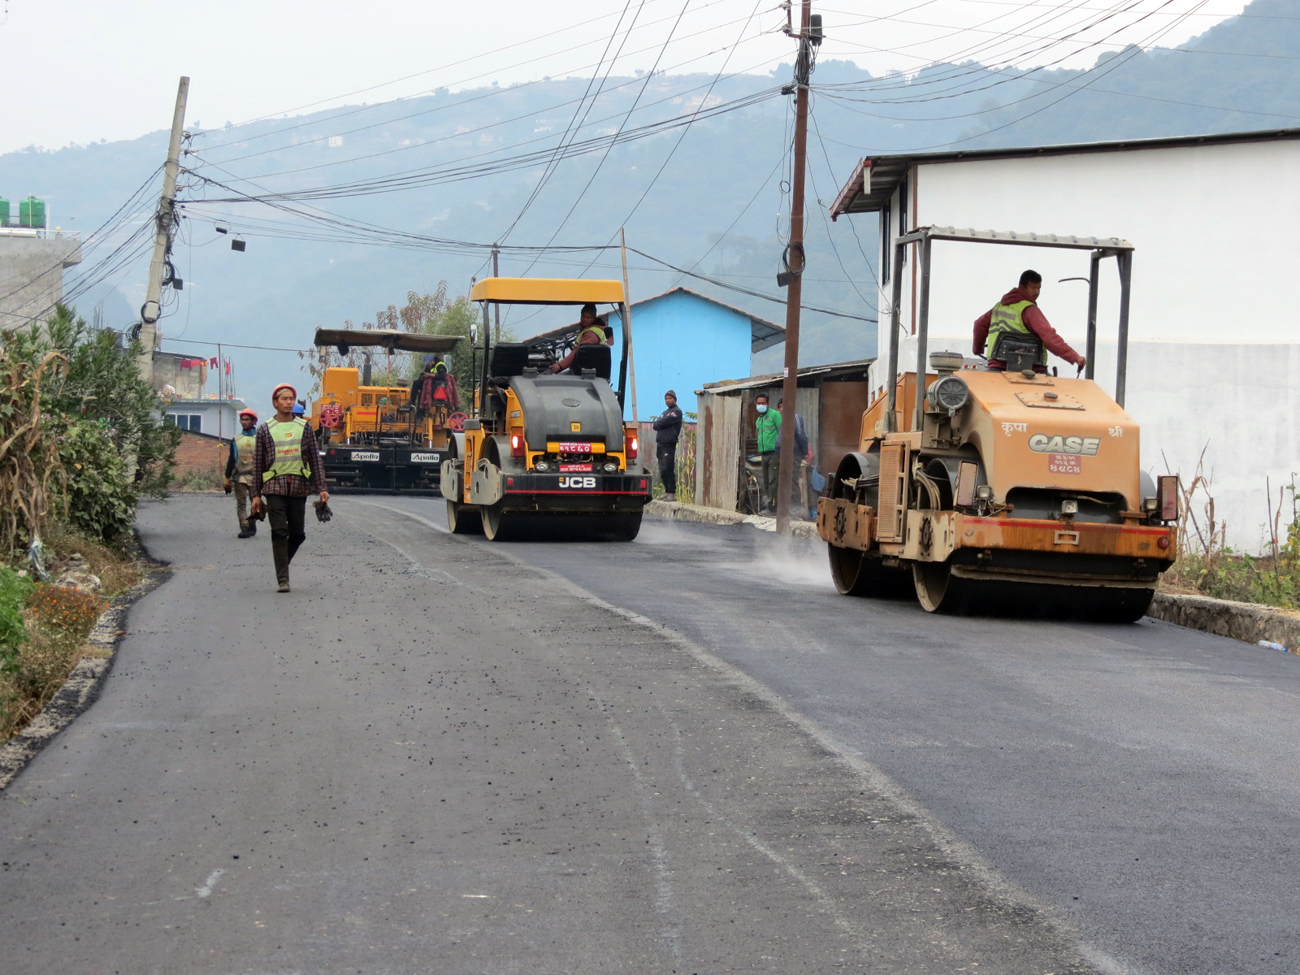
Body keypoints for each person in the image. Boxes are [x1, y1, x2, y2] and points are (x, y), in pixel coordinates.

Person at [250, 383, 330, 593]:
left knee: (298, 534)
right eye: (284, 399)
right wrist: (255, 495)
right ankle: (283, 579)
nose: (288, 402)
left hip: (298, 488)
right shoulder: (265, 429)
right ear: (275, 403)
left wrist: (321, 487)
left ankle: (282, 563)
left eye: (291, 399)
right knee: (279, 531)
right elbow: (257, 464)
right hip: (273, 488)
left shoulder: (305, 428)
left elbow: (314, 458)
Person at [973, 269, 1087, 374]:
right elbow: (1049, 337)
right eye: (1033, 288)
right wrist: (1074, 357)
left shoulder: (998, 307)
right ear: (1022, 287)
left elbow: (979, 325)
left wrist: (978, 349)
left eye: (1039, 288)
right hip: (1029, 369)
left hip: (996, 367)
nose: (1037, 292)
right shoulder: (1029, 310)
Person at [223, 408, 259, 538]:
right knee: (241, 503)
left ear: (254, 421)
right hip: (240, 476)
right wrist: (227, 478)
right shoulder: (236, 439)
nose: (244, 422)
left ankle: (252, 522)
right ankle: (244, 528)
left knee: (255, 501)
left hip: (256, 477)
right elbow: (232, 459)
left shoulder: (260, 438)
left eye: (247, 419)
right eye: (242, 420)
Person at [550, 303, 612, 374]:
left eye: (588, 317)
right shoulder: (587, 329)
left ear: (594, 318)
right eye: (583, 316)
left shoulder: (591, 333)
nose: (584, 319)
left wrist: (560, 365)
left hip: (586, 372)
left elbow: (578, 351)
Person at [776, 398, 813, 518]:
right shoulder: (782, 420)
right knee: (785, 481)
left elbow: (801, 435)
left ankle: (795, 511)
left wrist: (805, 452)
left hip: (793, 454)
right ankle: (786, 510)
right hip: (783, 455)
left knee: (792, 482)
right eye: (780, 406)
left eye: (784, 406)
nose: (782, 409)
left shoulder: (795, 417)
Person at [652, 390, 683, 502]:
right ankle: (667, 492)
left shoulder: (676, 412)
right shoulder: (665, 412)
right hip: (660, 443)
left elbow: (663, 422)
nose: (667, 400)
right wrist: (659, 423)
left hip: (669, 444)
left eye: (670, 398)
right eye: (666, 399)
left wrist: (660, 423)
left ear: (674, 399)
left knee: (668, 467)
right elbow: (655, 424)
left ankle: (672, 493)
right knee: (662, 468)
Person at [754, 393, 781, 513]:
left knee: (773, 481)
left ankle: (772, 507)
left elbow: (783, 432)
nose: (760, 405)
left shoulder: (775, 415)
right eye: (758, 403)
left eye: (763, 403)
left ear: (767, 403)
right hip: (763, 454)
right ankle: (767, 506)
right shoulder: (758, 420)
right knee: (765, 481)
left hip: (774, 453)